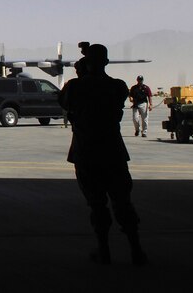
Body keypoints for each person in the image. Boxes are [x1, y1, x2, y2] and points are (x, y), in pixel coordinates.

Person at [58, 43, 147, 266]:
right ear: (106, 62)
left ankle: (104, 250)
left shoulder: (75, 86)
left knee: (97, 205)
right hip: (113, 151)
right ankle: (136, 249)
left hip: (87, 152)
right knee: (123, 202)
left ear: (85, 64)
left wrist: (80, 75)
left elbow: (64, 102)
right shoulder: (118, 86)